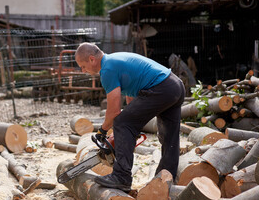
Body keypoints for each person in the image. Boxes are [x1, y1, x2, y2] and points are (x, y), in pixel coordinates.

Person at [75, 42, 185, 192]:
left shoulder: (107, 69)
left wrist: (102, 131)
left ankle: (121, 176)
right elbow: (131, 99)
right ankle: (166, 179)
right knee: (169, 137)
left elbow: (114, 111)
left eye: (83, 66)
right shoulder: (115, 60)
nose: (83, 71)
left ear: (92, 59)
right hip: (175, 85)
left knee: (121, 122)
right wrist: (128, 132)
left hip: (162, 88)